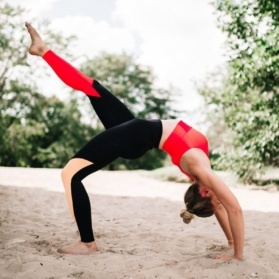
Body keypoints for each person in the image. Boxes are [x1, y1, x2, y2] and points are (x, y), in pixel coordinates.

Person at [25, 22, 244, 260]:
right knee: (92, 87)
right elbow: (222, 207)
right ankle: (42, 50)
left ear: (204, 191)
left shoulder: (200, 170)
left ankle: (87, 243)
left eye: (215, 197)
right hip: (139, 135)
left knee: (70, 174)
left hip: (137, 134)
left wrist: (237, 256)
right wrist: (231, 244)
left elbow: (233, 208)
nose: (220, 196)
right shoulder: (203, 174)